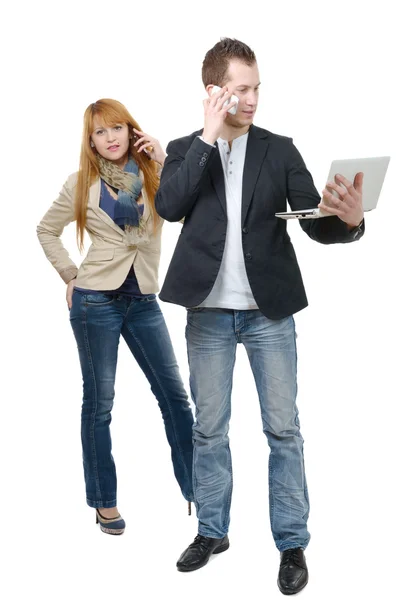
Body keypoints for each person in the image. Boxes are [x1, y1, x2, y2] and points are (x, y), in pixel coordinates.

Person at [155, 39, 364, 594]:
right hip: (208, 316)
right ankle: (211, 531)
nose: (251, 100)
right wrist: (207, 135)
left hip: (269, 314)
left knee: (283, 430)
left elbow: (310, 219)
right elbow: (169, 205)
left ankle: (292, 544)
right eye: (241, 89)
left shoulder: (279, 149)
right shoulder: (184, 149)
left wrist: (346, 220)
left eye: (256, 89)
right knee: (208, 430)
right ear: (215, 91)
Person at [37, 98, 194, 535]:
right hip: (94, 303)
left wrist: (163, 159)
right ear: (91, 140)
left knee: (175, 398)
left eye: (117, 129)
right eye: (101, 132)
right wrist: (70, 274)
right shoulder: (79, 184)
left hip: (143, 299)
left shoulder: (153, 176)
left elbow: (184, 208)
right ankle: (104, 500)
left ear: (131, 131)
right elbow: (45, 229)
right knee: (100, 403)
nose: (110, 138)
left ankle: (199, 491)